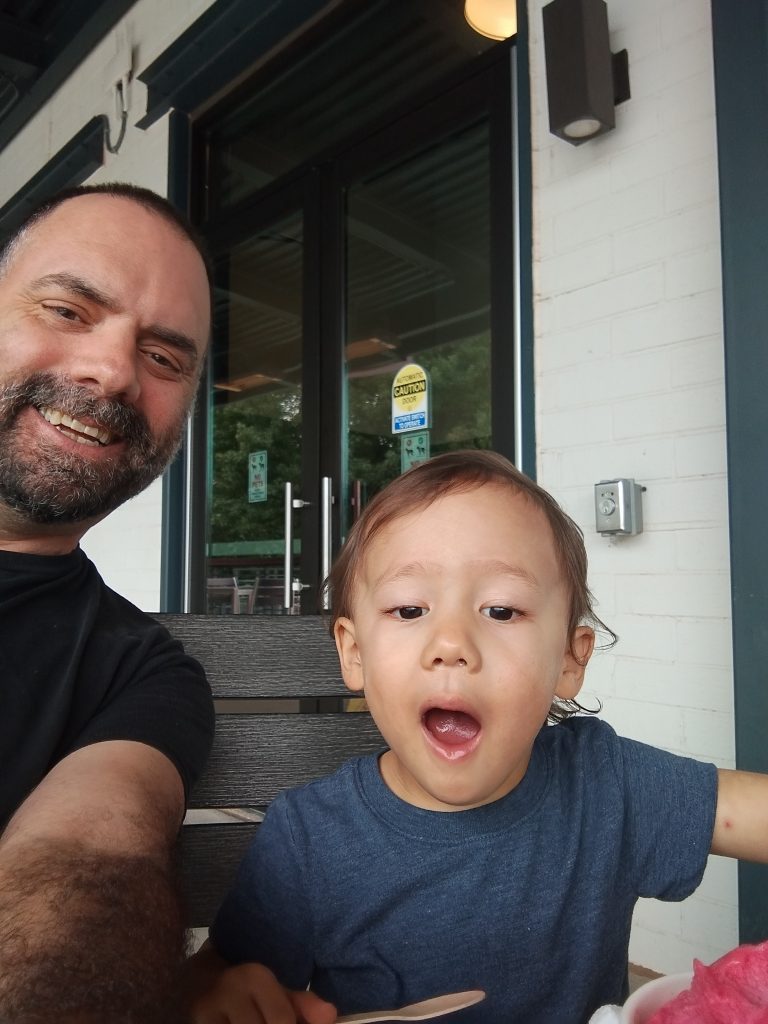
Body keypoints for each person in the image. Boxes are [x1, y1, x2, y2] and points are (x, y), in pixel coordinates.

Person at [184, 449, 768, 1024]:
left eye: (502, 610)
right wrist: (220, 996)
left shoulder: (607, 786)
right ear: (354, 652)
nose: (453, 643)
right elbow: (221, 979)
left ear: (569, 659)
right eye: (410, 609)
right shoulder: (309, 837)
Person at [0, 183, 216, 1023]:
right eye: (65, 309)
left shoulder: (141, 678)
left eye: (164, 359)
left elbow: (87, 865)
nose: (114, 372)